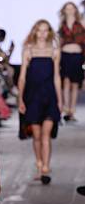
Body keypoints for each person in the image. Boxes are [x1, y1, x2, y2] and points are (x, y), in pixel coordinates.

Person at [18, 20, 62, 184]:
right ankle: (39, 164)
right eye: (39, 30)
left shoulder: (54, 51)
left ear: (49, 32)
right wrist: (20, 97)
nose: (42, 34)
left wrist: (60, 100)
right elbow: (22, 77)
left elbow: (57, 77)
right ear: (35, 32)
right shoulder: (28, 51)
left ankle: (45, 166)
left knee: (46, 134)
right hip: (33, 96)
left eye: (45, 31)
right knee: (36, 134)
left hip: (49, 95)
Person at [58, 2, 85, 121]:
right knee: (66, 82)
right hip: (65, 55)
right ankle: (66, 108)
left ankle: (72, 110)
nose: (69, 10)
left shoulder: (81, 23)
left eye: (72, 8)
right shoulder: (61, 24)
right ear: (64, 10)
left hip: (78, 55)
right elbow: (59, 41)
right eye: (67, 8)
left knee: (75, 83)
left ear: (75, 10)